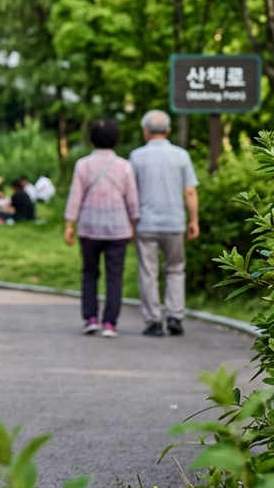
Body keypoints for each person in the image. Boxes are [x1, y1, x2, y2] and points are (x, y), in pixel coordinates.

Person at [64, 118, 139, 337]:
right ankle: (110, 323)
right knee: (114, 275)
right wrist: (133, 224)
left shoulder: (83, 165)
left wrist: (69, 223)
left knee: (89, 272)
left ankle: (90, 318)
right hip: (118, 228)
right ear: (116, 139)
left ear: (92, 138)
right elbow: (132, 200)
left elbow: (75, 197)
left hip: (89, 227)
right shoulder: (125, 166)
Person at [129, 109, 200, 337]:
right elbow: (189, 191)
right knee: (176, 270)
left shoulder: (136, 156)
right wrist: (194, 220)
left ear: (146, 131)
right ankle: (175, 317)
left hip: (145, 223)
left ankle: (153, 321)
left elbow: (131, 193)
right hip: (174, 222)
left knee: (148, 273)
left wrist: (130, 223)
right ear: (168, 130)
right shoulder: (181, 156)